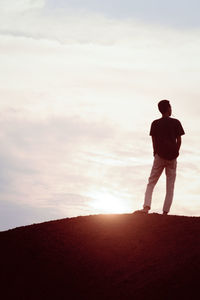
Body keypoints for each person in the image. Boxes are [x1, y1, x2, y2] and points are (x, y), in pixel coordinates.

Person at [138, 100, 185, 215]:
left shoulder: (155, 123)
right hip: (172, 157)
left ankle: (146, 207)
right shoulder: (176, 122)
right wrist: (176, 152)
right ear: (168, 108)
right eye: (170, 107)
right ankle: (165, 212)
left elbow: (153, 141)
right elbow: (179, 140)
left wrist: (155, 153)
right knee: (170, 185)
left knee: (151, 182)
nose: (171, 109)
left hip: (159, 156)